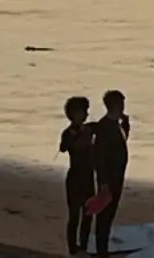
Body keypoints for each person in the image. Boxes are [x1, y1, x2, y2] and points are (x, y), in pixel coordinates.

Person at [91, 90, 130, 258]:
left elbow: (120, 144)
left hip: (117, 175)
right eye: (120, 104)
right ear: (114, 105)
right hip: (109, 178)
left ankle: (103, 249)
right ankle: (101, 251)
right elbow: (99, 156)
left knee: (109, 213)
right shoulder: (104, 126)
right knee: (105, 215)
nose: (122, 107)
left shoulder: (116, 125)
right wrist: (104, 182)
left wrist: (126, 125)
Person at [59, 96, 96, 255]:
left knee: (88, 216)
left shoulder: (89, 129)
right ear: (73, 113)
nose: (86, 114)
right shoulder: (69, 132)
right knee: (74, 216)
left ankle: (84, 246)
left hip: (88, 178)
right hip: (75, 178)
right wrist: (76, 133)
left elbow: (104, 127)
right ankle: (73, 249)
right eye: (83, 111)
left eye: (86, 111)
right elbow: (63, 147)